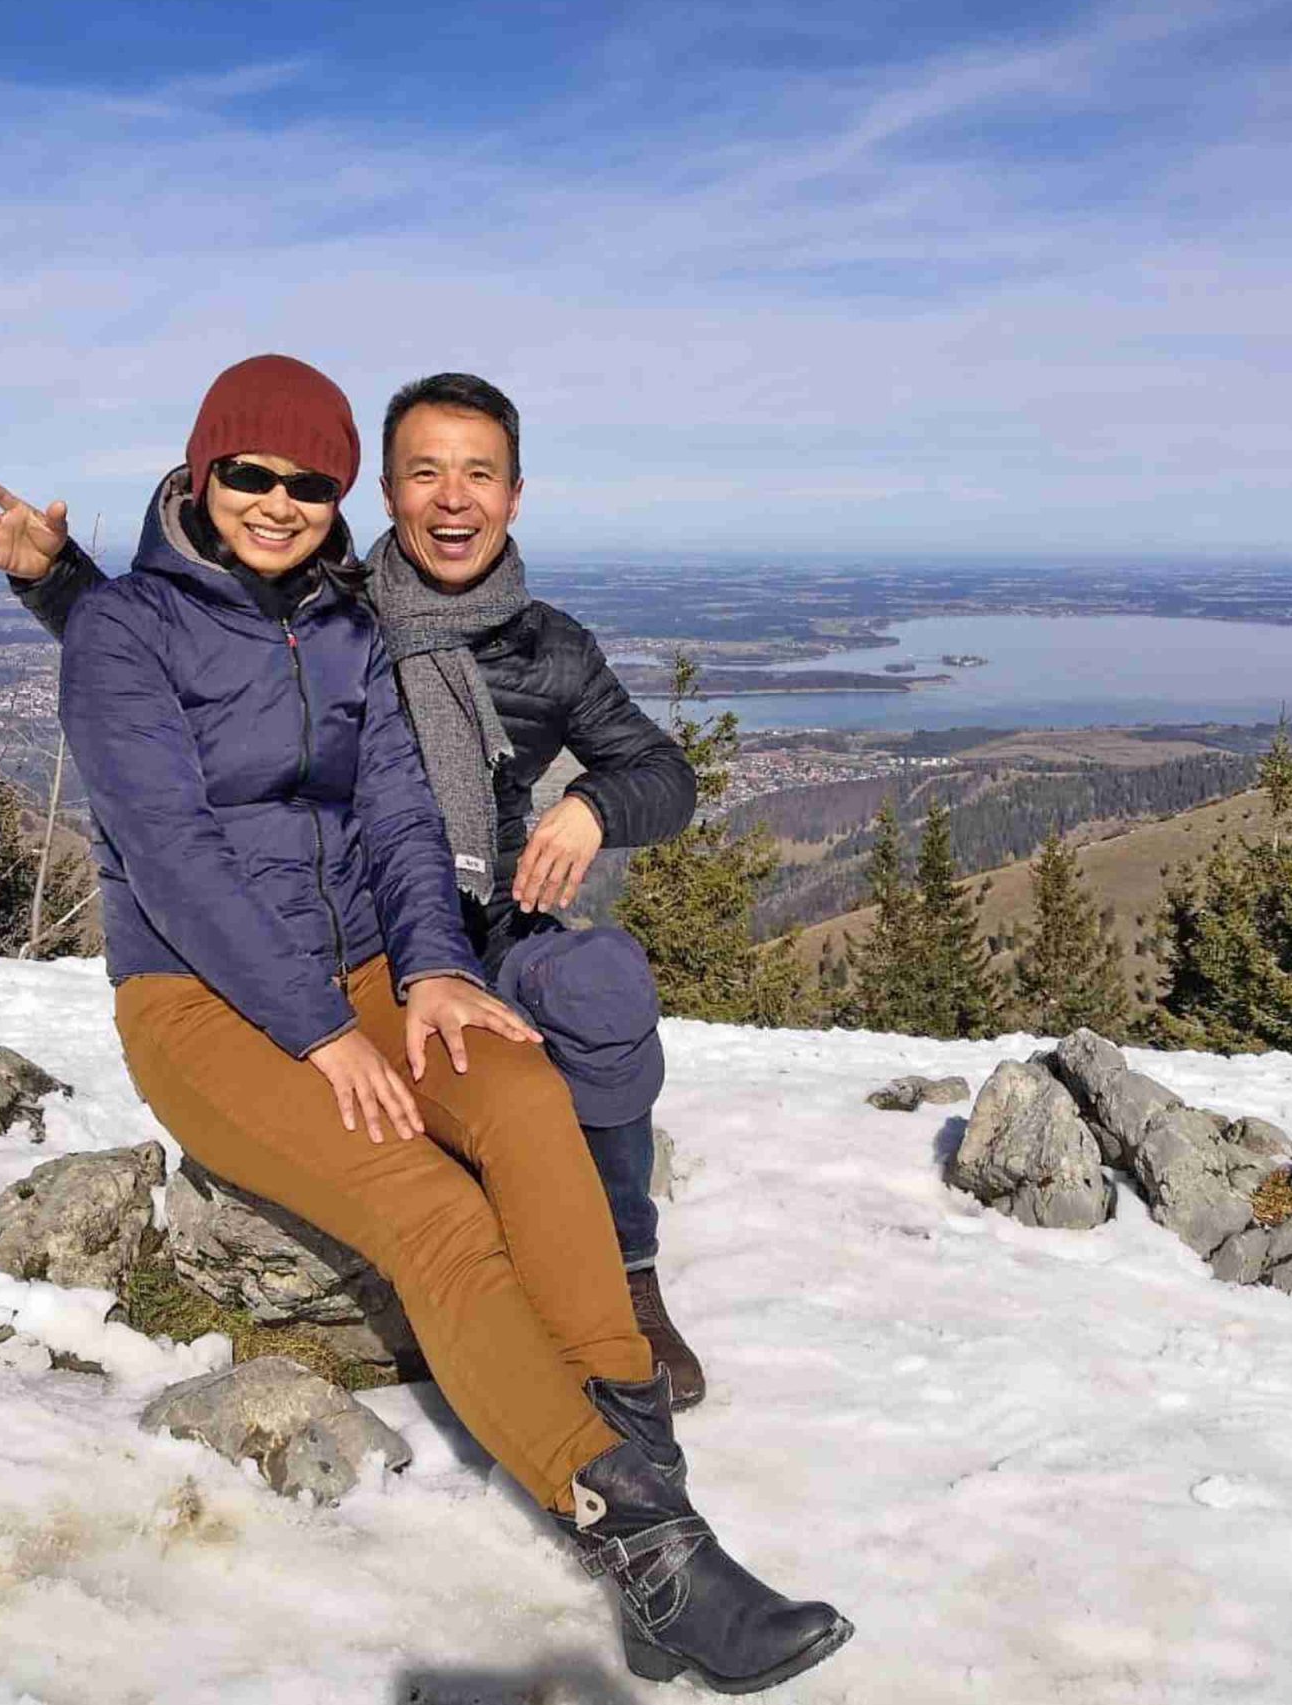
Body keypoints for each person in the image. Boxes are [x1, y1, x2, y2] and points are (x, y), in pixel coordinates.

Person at [55, 353, 849, 1692]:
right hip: (201, 996)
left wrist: (430, 969)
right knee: (430, 1208)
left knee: (525, 1095)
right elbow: (174, 858)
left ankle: (645, 1474)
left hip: (372, 968)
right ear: (200, 471)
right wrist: (320, 1031)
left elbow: (401, 818)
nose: (279, 501)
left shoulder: (345, 625)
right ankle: (641, 1546)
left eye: (310, 483)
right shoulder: (125, 631)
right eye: (250, 473)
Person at [0, 371, 714, 1406]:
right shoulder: (340, 602)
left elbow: (668, 776)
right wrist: (59, 581)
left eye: (479, 473)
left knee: (601, 979)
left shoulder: (549, 649)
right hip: (373, 935)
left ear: (515, 494)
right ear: (388, 494)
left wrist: (593, 803)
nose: (454, 498)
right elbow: (209, 643)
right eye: (426, 473)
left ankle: (627, 1270)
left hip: (479, 930)